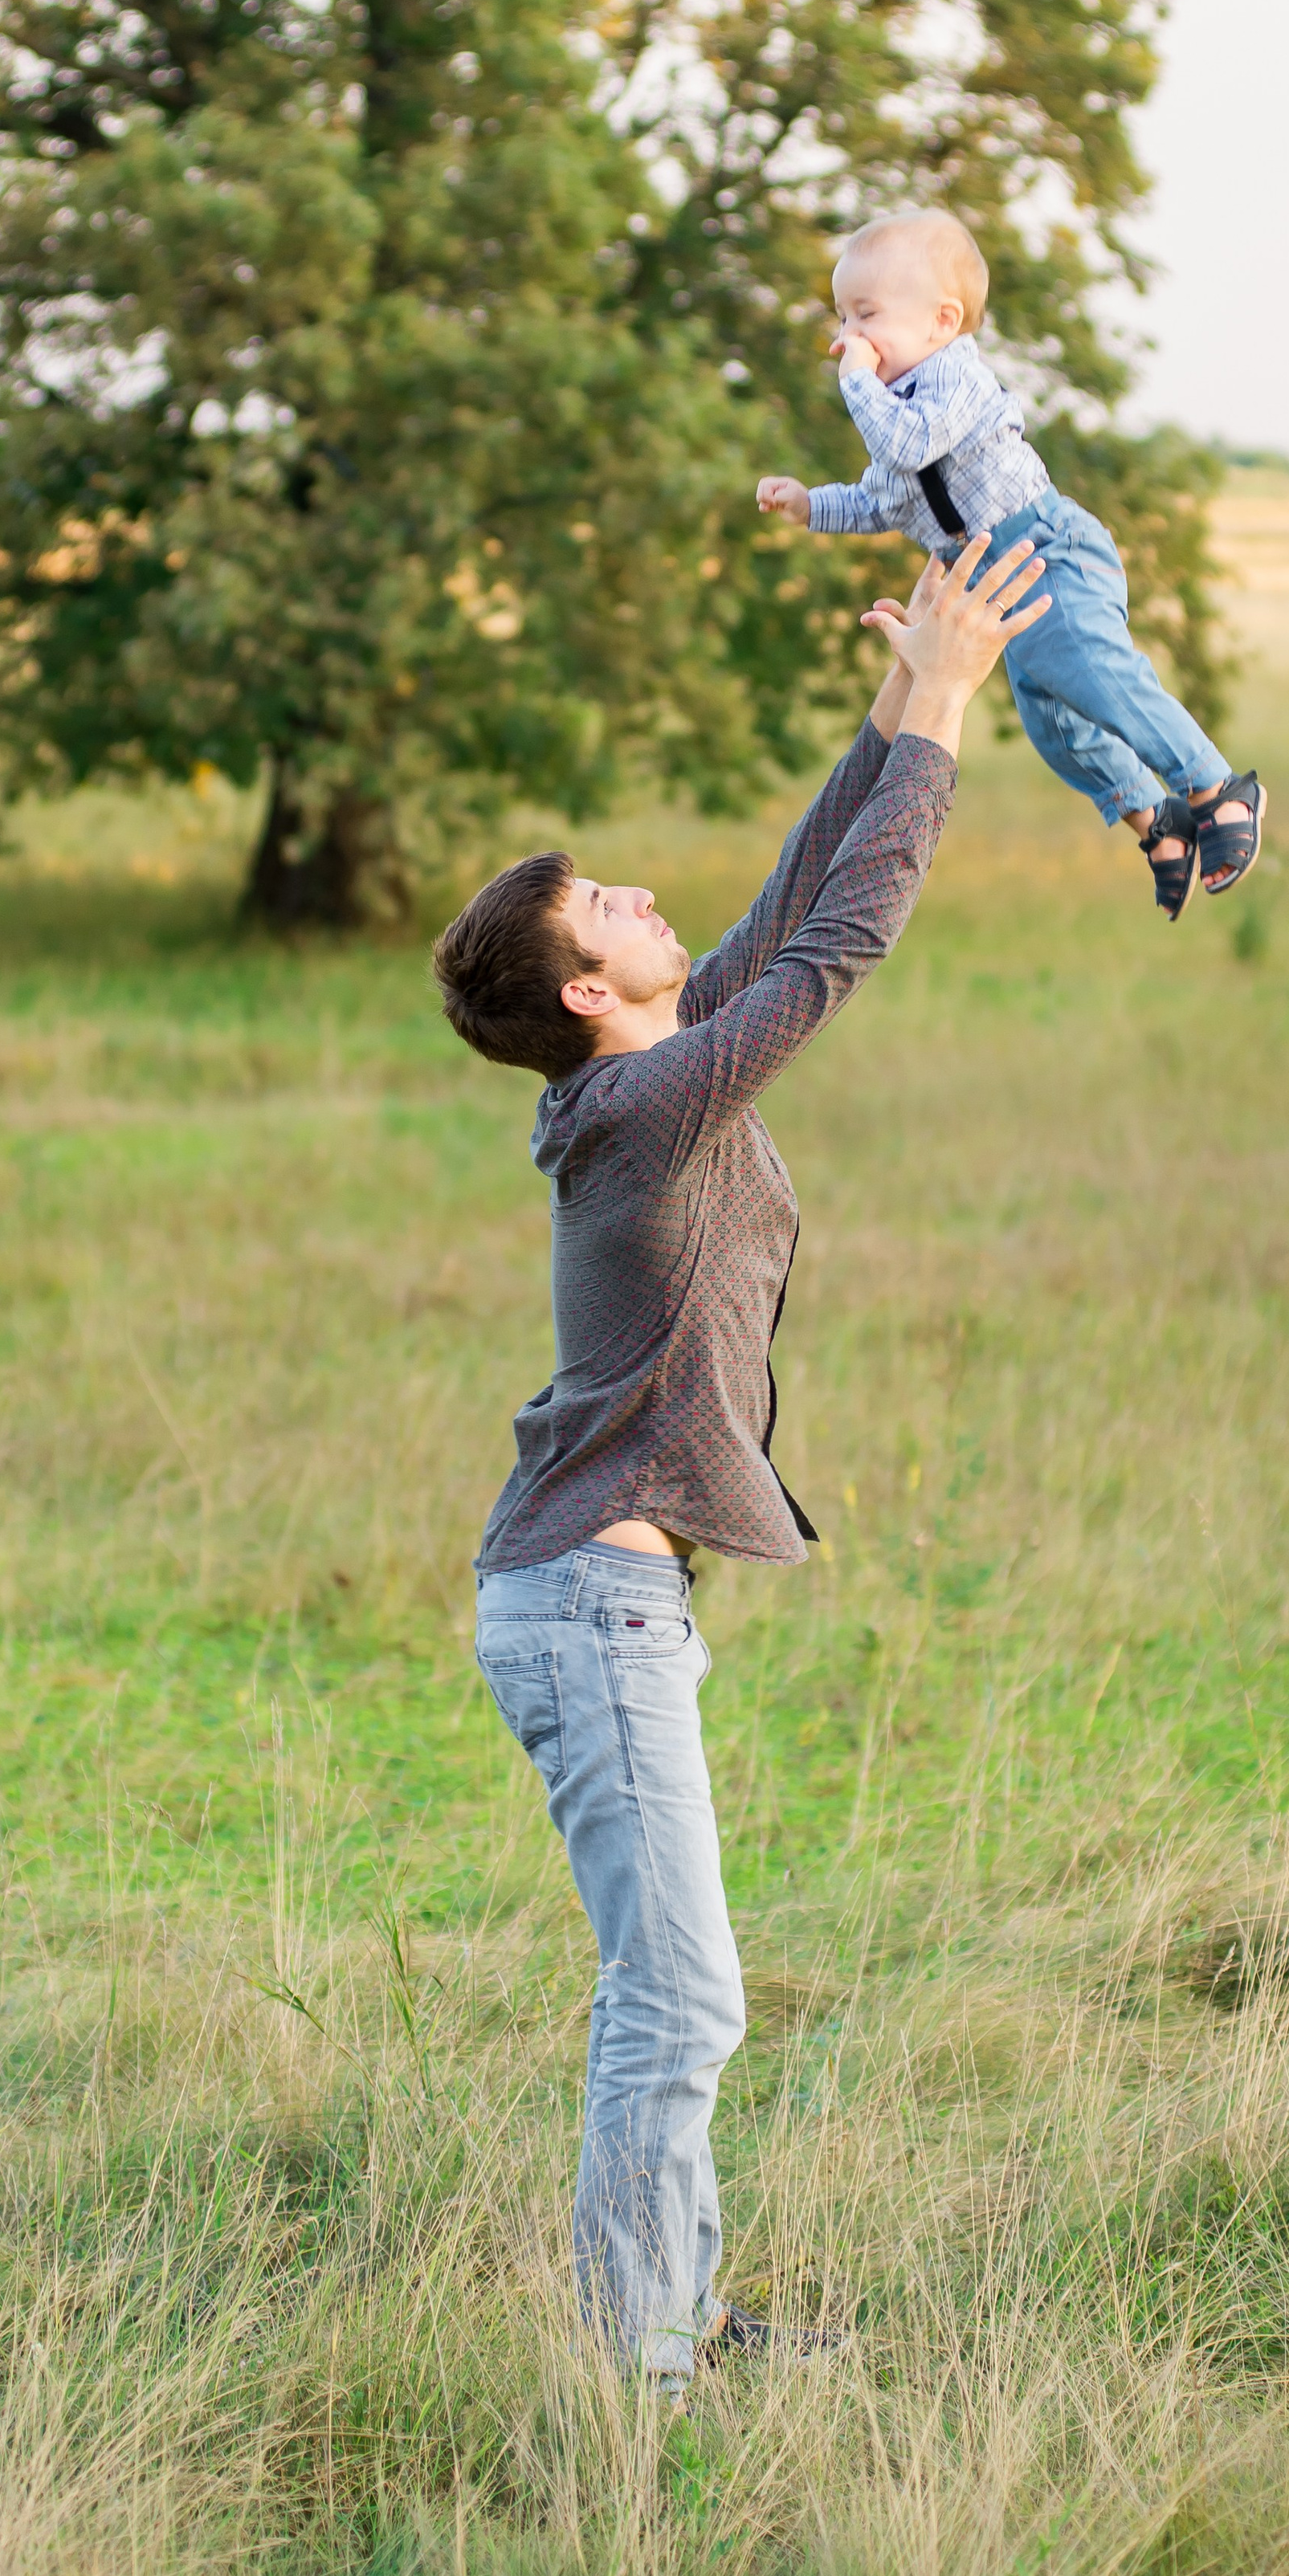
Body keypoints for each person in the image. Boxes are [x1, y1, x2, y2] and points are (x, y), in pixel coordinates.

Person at [430, 537, 1048, 2407]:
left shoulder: (647, 1062)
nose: (635, 893)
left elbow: (791, 894)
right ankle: (641, 2369)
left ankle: (675, 2321)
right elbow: (839, 946)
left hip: (601, 1598)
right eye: (599, 907)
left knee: (678, 1994)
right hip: (589, 1605)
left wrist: (902, 689)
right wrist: (944, 710)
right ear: (587, 993)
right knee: (679, 1999)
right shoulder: (643, 1098)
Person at [756, 206, 1266, 923]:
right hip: (999, 585)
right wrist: (810, 504)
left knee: (1095, 673)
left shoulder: (954, 378)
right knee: (1053, 724)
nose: (848, 338)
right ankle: (1157, 822)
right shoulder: (895, 408)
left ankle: (1217, 786)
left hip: (1048, 552)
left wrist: (857, 383)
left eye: (865, 315)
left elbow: (908, 445)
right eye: (842, 319)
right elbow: (879, 499)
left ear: (942, 320)